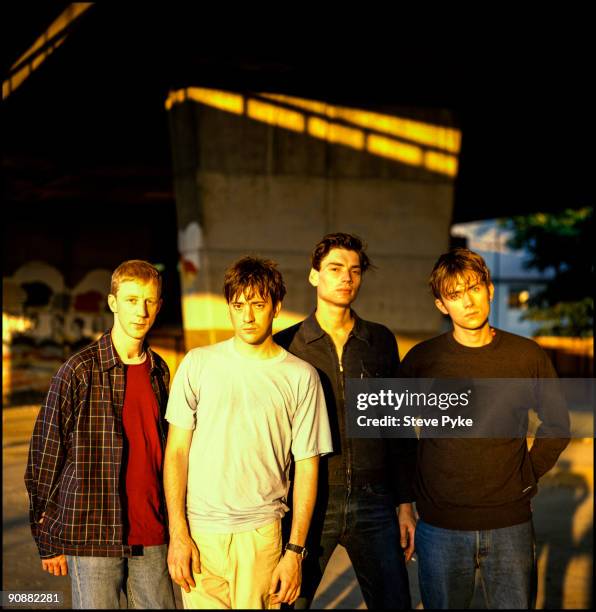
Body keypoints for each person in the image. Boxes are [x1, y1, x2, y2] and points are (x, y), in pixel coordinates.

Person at [400, 248, 570, 609]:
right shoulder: (421, 360)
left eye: (474, 287)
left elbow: (557, 425)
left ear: (490, 289)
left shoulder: (526, 356)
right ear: (441, 306)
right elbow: (394, 434)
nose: (468, 301)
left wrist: (526, 473)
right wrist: (404, 504)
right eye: (455, 294)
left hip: (510, 524)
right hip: (439, 527)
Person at [164, 256, 333, 609]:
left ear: (276, 307)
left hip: (261, 536)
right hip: (200, 535)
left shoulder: (300, 377)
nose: (247, 315)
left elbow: (307, 466)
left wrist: (295, 552)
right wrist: (178, 533)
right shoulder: (198, 363)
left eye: (258, 304)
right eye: (238, 305)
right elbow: (177, 451)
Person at [274, 232, 416, 609]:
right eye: (335, 268)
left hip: (375, 500)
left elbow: (397, 424)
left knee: (395, 603)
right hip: (310, 501)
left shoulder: (380, 340)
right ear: (314, 275)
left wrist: (405, 504)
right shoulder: (287, 344)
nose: (346, 278)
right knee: (289, 603)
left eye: (355, 271)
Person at [25, 260, 176, 609]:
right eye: (132, 300)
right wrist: (47, 538)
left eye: (150, 301)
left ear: (159, 305)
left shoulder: (160, 371)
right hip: (91, 534)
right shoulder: (78, 370)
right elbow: (45, 456)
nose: (141, 310)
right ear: (113, 303)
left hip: (152, 531)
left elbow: (168, 451)